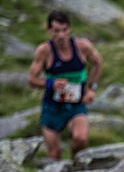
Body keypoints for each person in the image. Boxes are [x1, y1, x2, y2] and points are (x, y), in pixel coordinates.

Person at [28, 10, 103, 160]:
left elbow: (98, 63)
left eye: (64, 30)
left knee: (81, 139)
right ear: (49, 30)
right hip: (52, 107)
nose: (61, 35)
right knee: (54, 154)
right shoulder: (44, 51)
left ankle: (75, 167)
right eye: (56, 31)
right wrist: (51, 83)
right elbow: (32, 80)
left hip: (76, 104)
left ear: (69, 28)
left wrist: (91, 89)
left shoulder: (82, 46)